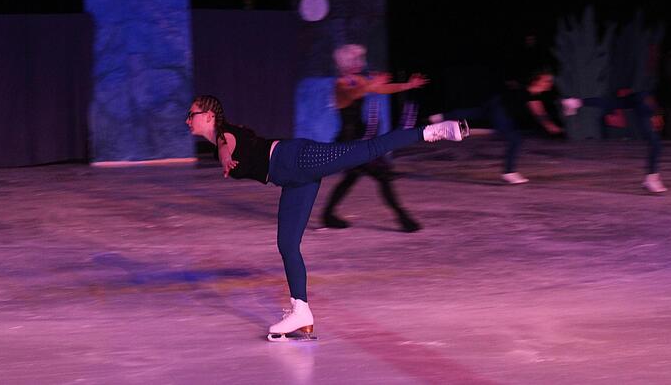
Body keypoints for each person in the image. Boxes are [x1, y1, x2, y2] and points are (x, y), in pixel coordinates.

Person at [186, 94, 469, 341]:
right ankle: (301, 312)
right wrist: (224, 156)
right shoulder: (222, 139)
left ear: (209, 115)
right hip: (292, 179)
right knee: (287, 244)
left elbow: (226, 144)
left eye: (192, 114)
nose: (188, 120)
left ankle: (431, 131)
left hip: (297, 159)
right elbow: (226, 145)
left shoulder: (224, 134)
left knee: (368, 150)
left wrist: (226, 158)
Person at [322, 44, 428, 232]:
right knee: (382, 175)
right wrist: (372, 84)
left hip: (360, 138)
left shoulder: (358, 80)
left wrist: (408, 85)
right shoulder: (341, 84)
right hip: (349, 142)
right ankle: (403, 218)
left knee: (353, 176)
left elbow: (381, 89)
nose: (360, 63)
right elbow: (354, 93)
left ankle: (328, 215)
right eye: (356, 60)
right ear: (346, 63)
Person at [430, 68, 562, 184]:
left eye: (550, 81)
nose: (549, 83)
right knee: (515, 139)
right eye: (546, 80)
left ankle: (441, 117)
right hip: (500, 108)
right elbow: (539, 112)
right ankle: (509, 172)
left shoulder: (531, 93)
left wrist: (549, 125)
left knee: (477, 113)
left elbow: (539, 110)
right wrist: (549, 126)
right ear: (536, 80)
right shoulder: (529, 94)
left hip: (496, 104)